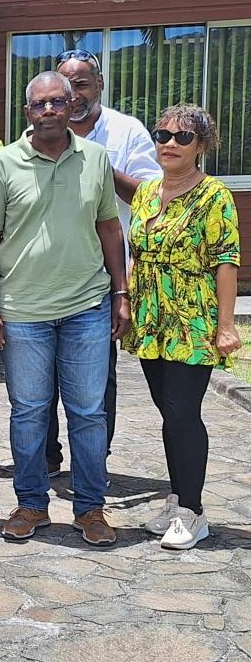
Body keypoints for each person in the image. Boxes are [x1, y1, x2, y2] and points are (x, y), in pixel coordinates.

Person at [0, 71, 129, 547]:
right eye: (39, 104)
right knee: (29, 412)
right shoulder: (3, 164)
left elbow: (109, 228)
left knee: (87, 412)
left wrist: (121, 293)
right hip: (23, 310)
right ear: (27, 113)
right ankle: (31, 504)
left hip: (86, 303)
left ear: (71, 107)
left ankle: (90, 508)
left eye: (57, 103)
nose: (48, 111)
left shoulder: (96, 160)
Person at [42, 50, 162, 476]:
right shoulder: (40, 130)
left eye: (82, 84)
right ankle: (50, 456)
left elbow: (150, 198)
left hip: (103, 274)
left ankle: (94, 460)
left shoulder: (126, 131)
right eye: (64, 87)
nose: (72, 96)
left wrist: (96, 165)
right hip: (49, 275)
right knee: (43, 377)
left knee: (97, 377)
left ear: (100, 85)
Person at [126, 104, 239, 550]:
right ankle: (178, 500)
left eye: (183, 137)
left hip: (192, 320)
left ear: (202, 146)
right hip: (152, 319)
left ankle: (192, 512)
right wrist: (130, 305)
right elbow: (137, 254)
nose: (170, 143)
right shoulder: (146, 193)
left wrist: (226, 326)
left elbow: (226, 261)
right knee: (167, 413)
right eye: (162, 135)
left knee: (183, 413)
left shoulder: (215, 196)